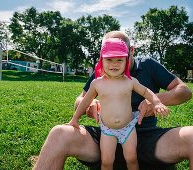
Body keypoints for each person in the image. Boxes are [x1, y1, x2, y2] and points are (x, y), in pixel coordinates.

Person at [34, 31, 193, 170]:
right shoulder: (101, 73)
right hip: (106, 137)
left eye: (119, 57)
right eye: (108, 57)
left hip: (147, 138)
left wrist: (154, 101)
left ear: (130, 51)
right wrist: (89, 106)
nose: (113, 64)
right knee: (59, 133)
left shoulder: (147, 65)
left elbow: (184, 91)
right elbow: (81, 98)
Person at [68, 38, 170, 170]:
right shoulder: (97, 84)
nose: (114, 64)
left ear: (126, 61)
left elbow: (146, 91)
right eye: (109, 60)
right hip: (108, 130)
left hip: (128, 128)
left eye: (119, 60)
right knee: (106, 162)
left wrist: (156, 102)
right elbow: (85, 102)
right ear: (102, 60)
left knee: (132, 159)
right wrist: (75, 118)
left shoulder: (130, 81)